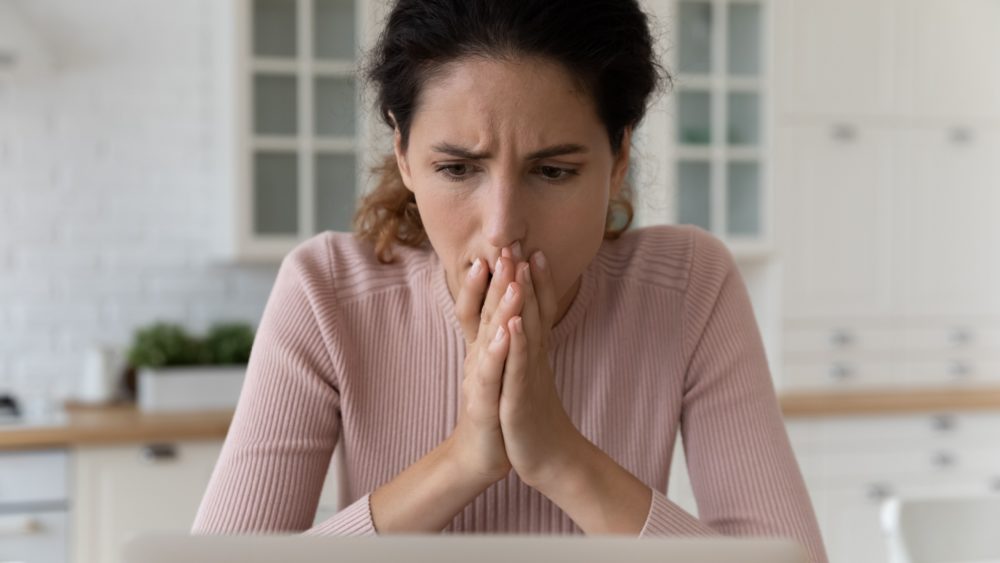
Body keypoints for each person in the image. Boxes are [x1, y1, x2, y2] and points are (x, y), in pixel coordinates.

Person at [192, 1, 828, 561]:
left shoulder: (687, 287)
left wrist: (556, 455)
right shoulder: (327, 291)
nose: (502, 229)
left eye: (552, 172)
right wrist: (466, 459)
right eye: (457, 168)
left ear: (618, 160)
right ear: (405, 154)